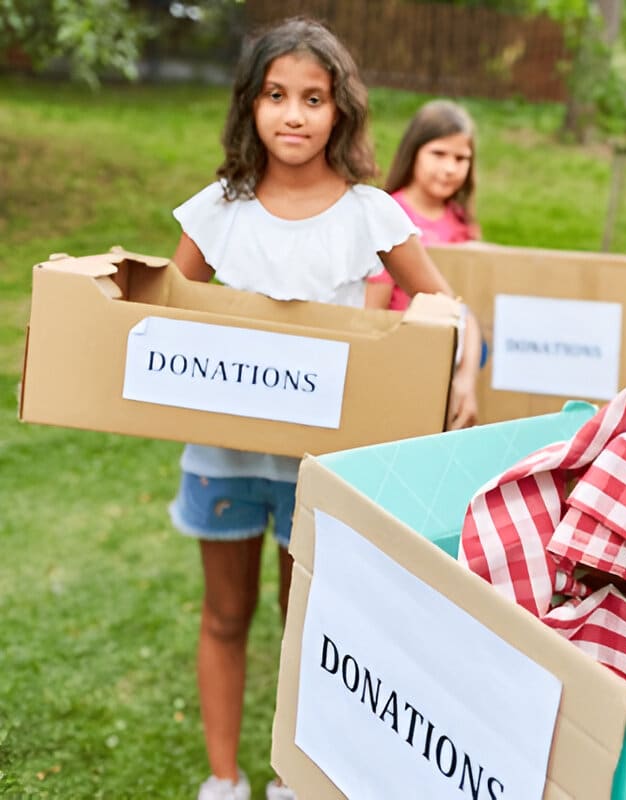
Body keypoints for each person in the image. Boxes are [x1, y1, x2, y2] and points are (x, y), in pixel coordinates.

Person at [167, 17, 481, 800]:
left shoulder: (367, 214)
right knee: (225, 613)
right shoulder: (216, 210)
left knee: (303, 620)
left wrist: (462, 373)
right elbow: (166, 311)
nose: (294, 115)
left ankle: (290, 774)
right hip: (222, 457)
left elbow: (448, 305)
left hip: (319, 466)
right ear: (251, 105)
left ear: (340, 109)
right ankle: (222, 777)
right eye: (276, 95)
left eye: (313, 97)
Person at [366, 99, 480, 312]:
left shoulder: (460, 221)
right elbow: (373, 311)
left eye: (460, 158)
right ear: (413, 153)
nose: (449, 168)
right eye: (438, 154)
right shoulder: (388, 215)